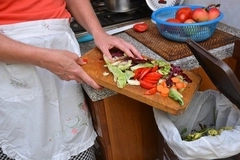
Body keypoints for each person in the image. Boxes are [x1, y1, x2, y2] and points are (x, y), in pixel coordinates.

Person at [0, 0, 143, 159]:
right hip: (15, 58)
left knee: (73, 139)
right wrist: (43, 59)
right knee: (25, 144)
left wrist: (98, 32)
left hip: (62, 47)